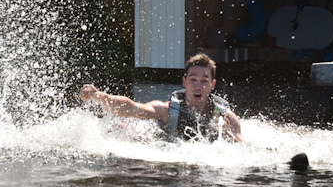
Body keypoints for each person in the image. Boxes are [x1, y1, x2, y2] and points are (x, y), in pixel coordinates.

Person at [79, 53, 243, 142]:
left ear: (212, 85)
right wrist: (98, 96)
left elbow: (241, 147)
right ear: (184, 82)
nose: (198, 86)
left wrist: (226, 136)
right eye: (193, 80)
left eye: (204, 81)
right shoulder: (167, 110)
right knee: (121, 128)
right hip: (163, 138)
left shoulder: (226, 117)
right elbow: (132, 107)